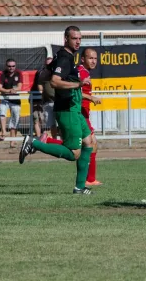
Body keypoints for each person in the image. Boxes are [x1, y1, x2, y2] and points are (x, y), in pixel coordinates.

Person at [19, 26, 95, 195]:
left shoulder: (63, 56)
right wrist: (77, 84)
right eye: (74, 38)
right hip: (67, 108)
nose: (78, 42)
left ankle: (80, 187)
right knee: (74, 153)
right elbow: (54, 81)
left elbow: (45, 74)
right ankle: (34, 143)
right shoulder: (64, 59)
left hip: (73, 107)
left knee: (90, 142)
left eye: (80, 39)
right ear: (66, 39)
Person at [41, 48, 103, 187]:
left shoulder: (84, 72)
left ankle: (88, 180)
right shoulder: (80, 71)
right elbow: (72, 89)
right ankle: (89, 179)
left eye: (95, 58)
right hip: (76, 111)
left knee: (86, 145)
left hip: (80, 111)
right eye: (90, 58)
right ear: (83, 59)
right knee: (82, 147)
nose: (93, 61)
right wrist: (90, 97)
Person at [0, 59, 23, 147]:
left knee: (15, 120)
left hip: (15, 100)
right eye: (9, 66)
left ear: (15, 66)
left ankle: (12, 142)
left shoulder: (18, 73)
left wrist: (13, 90)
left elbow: (20, 86)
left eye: (13, 66)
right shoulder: (2, 74)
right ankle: (3, 132)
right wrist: (8, 91)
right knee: (2, 112)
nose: (11, 68)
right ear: (6, 66)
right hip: (5, 98)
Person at [31, 57, 53, 138]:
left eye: (51, 64)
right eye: (48, 64)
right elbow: (40, 87)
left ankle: (43, 137)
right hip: (37, 98)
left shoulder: (55, 72)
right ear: (45, 64)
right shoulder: (41, 72)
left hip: (47, 99)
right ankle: (39, 137)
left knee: (46, 120)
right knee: (37, 118)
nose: (49, 65)